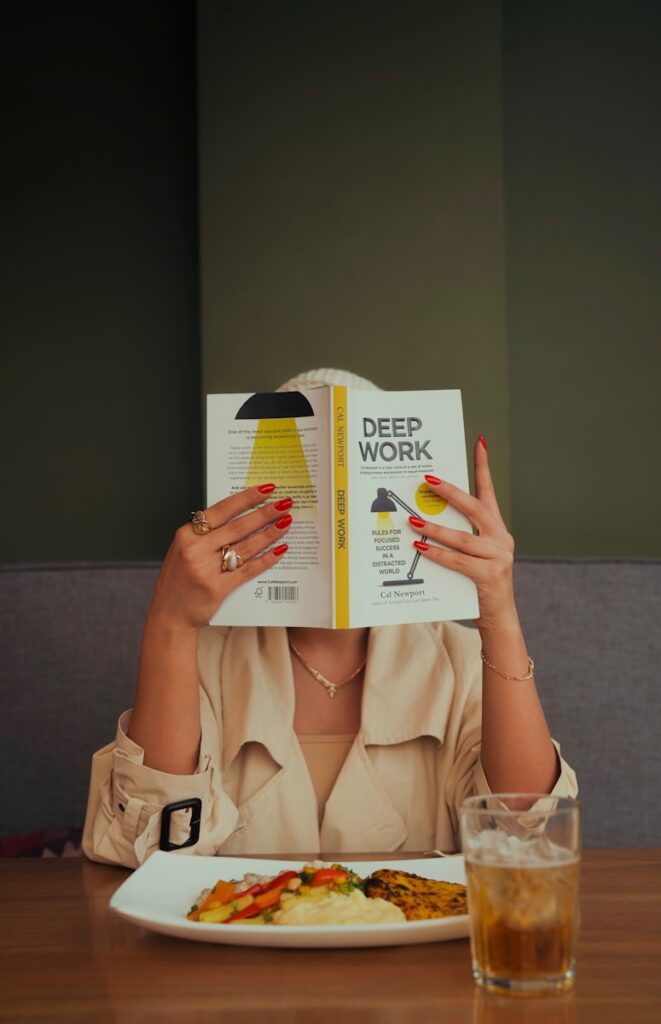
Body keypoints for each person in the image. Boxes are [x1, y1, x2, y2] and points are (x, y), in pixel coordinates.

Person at [83, 368, 576, 868]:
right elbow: (151, 852)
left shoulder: (461, 659)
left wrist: (500, 615)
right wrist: (170, 621)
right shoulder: (201, 660)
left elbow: (525, 837)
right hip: (240, 944)